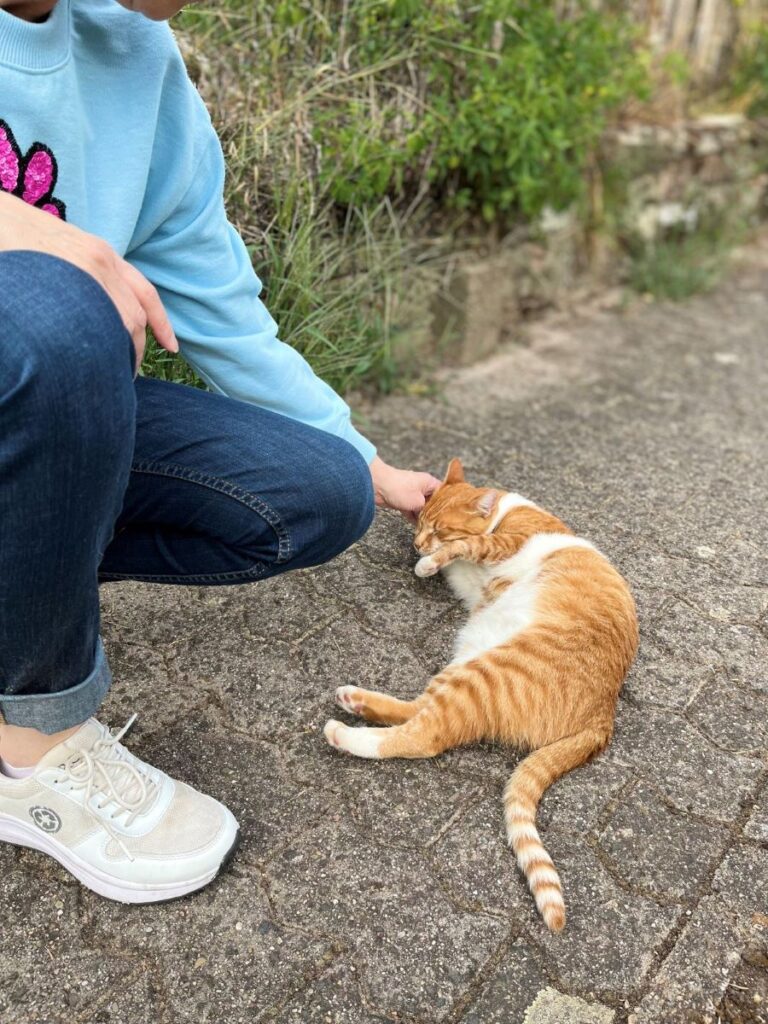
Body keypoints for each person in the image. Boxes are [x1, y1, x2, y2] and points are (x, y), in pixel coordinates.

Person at [0, 0, 440, 904]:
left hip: (35, 403)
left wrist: (362, 456)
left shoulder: (134, 54)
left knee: (317, 492)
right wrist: (41, 239)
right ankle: (34, 746)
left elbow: (218, 303)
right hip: (44, 346)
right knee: (59, 310)